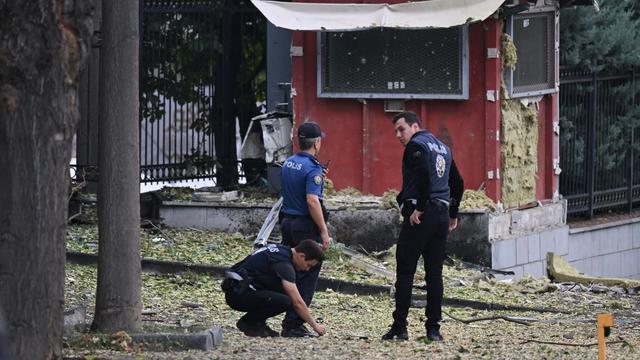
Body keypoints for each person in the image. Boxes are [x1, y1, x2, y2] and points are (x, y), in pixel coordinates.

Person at [382, 111, 464, 342]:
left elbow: (424, 175)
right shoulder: (443, 147)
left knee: (406, 271)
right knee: (434, 274)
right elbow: (457, 183)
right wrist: (453, 213)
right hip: (440, 216)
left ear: (415, 126)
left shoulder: (416, 146)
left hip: (422, 215)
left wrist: (419, 205)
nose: (398, 135)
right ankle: (433, 330)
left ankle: (400, 327)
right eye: (396, 131)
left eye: (401, 129)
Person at [278, 121, 330, 337]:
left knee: (290, 271)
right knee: (308, 271)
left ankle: (284, 314)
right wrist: (324, 230)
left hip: (287, 222)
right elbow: (312, 201)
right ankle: (294, 323)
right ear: (317, 143)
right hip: (304, 226)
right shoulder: (313, 168)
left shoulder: (289, 162)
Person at [222, 240, 327, 338]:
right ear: (301, 256)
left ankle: (258, 323)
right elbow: (297, 302)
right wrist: (315, 325)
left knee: (284, 290)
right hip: (237, 295)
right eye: (308, 265)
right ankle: (250, 323)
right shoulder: (283, 264)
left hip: (239, 289)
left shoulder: (281, 250)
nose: (307, 269)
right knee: (287, 300)